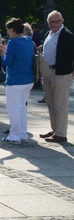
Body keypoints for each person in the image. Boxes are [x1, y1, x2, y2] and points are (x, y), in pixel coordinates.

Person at [0, 17, 35, 144]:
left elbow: (7, 62)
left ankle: (15, 135)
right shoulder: (28, 40)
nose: (8, 32)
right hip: (28, 79)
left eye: (8, 30)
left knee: (14, 109)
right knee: (22, 108)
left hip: (16, 80)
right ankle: (22, 134)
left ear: (12, 30)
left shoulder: (13, 42)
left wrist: (2, 53)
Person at [39, 10, 74, 143]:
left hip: (61, 73)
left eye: (56, 21)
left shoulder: (67, 35)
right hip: (47, 72)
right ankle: (55, 129)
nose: (53, 24)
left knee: (60, 104)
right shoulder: (48, 33)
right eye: (50, 22)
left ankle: (61, 134)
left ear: (62, 21)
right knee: (51, 103)